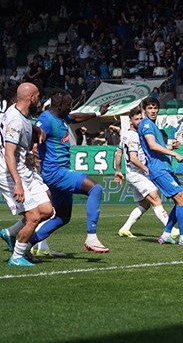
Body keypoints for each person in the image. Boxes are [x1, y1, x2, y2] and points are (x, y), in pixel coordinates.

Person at [30, 89, 111, 253]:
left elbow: (75, 117)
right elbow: (32, 131)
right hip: (56, 171)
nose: (71, 107)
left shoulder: (62, 117)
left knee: (62, 217)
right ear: (59, 105)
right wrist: (28, 152)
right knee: (95, 189)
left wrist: (97, 112)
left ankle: (23, 244)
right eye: (69, 104)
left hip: (59, 172)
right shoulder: (46, 119)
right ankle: (91, 238)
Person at [0, 83, 53, 266]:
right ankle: (16, 257)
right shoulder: (15, 120)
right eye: (38, 96)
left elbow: (22, 123)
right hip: (10, 173)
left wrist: (36, 129)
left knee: (47, 211)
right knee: (33, 217)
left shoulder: (17, 113)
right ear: (31, 98)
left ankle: (10, 233)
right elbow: (8, 153)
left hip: (24, 170)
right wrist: (17, 183)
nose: (39, 99)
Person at [138, 97, 183, 246]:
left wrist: (170, 148)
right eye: (150, 108)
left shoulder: (152, 125)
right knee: (181, 198)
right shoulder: (145, 124)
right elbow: (152, 146)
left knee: (181, 200)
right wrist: (175, 154)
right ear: (144, 110)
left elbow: (156, 147)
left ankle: (166, 235)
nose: (153, 110)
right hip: (158, 168)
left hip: (164, 166)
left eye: (155, 107)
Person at [113, 107, 175, 239]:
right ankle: (171, 229)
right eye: (136, 119)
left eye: (141, 118)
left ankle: (125, 228)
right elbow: (134, 158)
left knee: (145, 204)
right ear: (130, 121)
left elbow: (118, 153)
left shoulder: (126, 135)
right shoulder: (133, 136)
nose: (140, 121)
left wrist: (118, 171)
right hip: (137, 174)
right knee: (155, 197)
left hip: (133, 174)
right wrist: (147, 169)